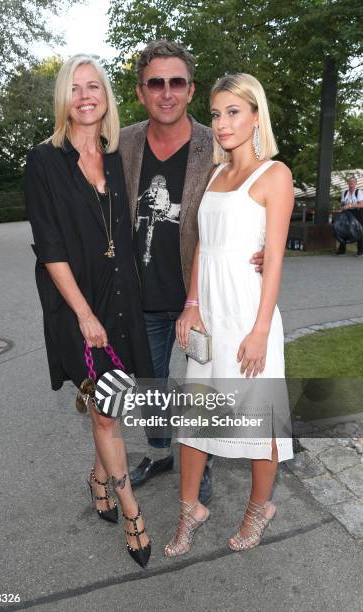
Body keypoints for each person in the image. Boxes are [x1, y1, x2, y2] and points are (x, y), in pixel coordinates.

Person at [119, 41, 265, 502]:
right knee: (151, 384)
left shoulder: (216, 140)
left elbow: (251, 191)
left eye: (176, 82)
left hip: (201, 298)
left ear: (190, 89)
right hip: (141, 295)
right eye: (155, 83)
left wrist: (262, 243)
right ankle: (163, 451)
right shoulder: (122, 143)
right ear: (141, 91)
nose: (166, 93)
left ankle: (196, 457)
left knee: (203, 384)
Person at [25, 55, 153, 568]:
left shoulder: (119, 156)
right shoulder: (44, 161)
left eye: (93, 86)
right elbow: (50, 246)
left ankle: (99, 477)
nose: (84, 95)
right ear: (64, 98)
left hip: (120, 300)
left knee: (112, 406)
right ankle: (132, 514)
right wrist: (82, 313)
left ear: (106, 96)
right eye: (74, 87)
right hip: (75, 305)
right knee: (106, 411)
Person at [164, 73, 294, 557]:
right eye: (216, 114)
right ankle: (190, 509)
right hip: (210, 316)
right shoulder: (216, 175)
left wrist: (260, 330)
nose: (222, 123)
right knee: (195, 418)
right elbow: (204, 246)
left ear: (256, 115)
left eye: (233, 112)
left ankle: (260, 508)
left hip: (248, 314)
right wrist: (191, 305)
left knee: (259, 421)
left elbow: (275, 258)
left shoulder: (274, 175)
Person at [335, 175, 363, 256]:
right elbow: (342, 204)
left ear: (355, 183)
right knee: (343, 230)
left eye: (353, 182)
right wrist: (341, 207)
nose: (351, 183)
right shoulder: (345, 192)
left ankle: (361, 250)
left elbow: (361, 205)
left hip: (357, 213)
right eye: (350, 182)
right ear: (348, 183)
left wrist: (350, 206)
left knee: (358, 231)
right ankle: (342, 249)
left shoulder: (359, 192)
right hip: (347, 213)